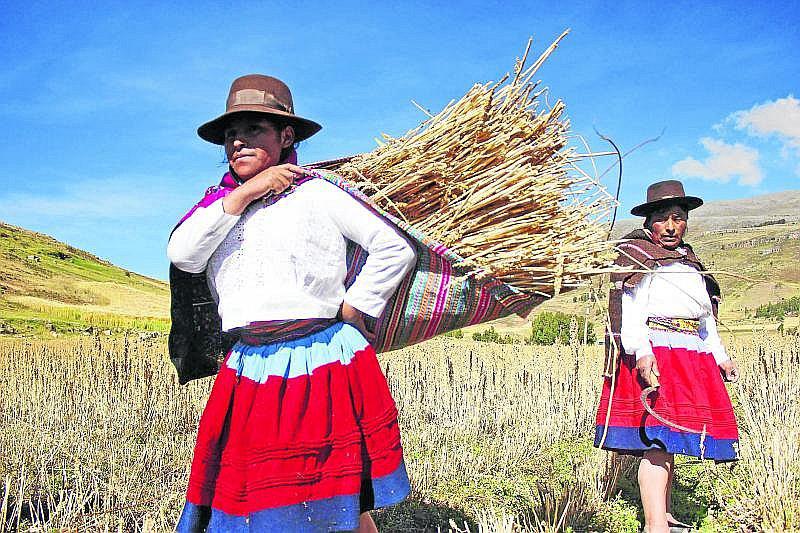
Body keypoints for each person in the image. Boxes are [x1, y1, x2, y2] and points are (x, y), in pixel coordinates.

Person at [168, 74, 416, 532]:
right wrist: (245, 194)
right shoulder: (220, 208)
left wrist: (355, 306)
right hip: (250, 364)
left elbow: (394, 247)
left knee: (336, 493)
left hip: (319, 359)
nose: (238, 142)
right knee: (249, 495)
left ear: (286, 137)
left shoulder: (318, 194)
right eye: (229, 135)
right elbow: (183, 255)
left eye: (254, 129)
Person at [594, 180, 739, 533]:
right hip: (657, 357)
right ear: (649, 222)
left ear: (686, 220)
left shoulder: (691, 263)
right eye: (663, 218)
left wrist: (720, 356)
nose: (671, 226)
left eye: (678, 217)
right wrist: (642, 353)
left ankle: (665, 516)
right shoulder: (636, 256)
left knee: (669, 440)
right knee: (657, 441)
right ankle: (655, 526)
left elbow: (705, 319)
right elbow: (630, 310)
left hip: (691, 359)